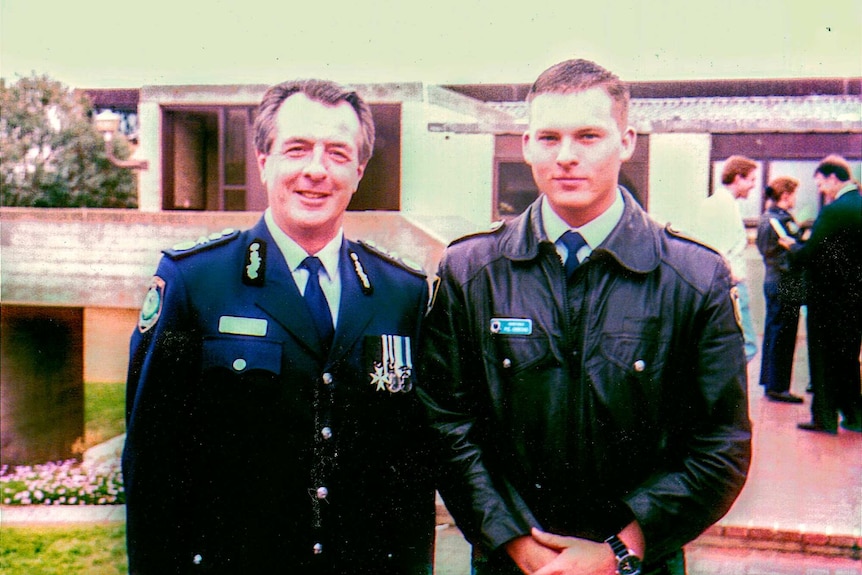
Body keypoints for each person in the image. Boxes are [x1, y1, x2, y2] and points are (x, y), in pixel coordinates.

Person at [417, 58, 752, 575]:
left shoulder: (693, 277)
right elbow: (447, 427)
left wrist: (620, 550)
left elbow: (719, 447)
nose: (566, 157)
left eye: (589, 136)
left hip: (639, 566)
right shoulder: (471, 272)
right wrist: (516, 545)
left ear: (627, 141)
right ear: (527, 145)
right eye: (548, 138)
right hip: (510, 562)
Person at [122, 79, 435, 574]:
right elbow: (152, 467)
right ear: (264, 161)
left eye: (337, 153)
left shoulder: (403, 294)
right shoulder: (194, 282)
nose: (316, 170)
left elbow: (413, 479)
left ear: (359, 170)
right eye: (297, 149)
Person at [780, 155, 862, 434]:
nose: (820, 189)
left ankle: (824, 419)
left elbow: (813, 252)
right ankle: (854, 415)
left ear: (832, 178)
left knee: (824, 357)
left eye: (820, 183)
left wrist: (792, 247)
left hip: (826, 297)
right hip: (855, 297)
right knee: (849, 358)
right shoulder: (860, 205)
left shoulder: (832, 210)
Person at [696, 155, 759, 363]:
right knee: (746, 345)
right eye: (751, 179)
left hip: (724, 286)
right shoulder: (723, 206)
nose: (753, 185)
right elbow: (716, 250)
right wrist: (733, 280)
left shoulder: (720, 203)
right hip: (730, 287)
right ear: (738, 178)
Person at [755, 177, 806, 403]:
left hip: (773, 279)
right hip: (787, 281)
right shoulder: (783, 220)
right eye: (794, 194)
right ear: (785, 195)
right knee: (784, 335)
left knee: (774, 332)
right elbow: (793, 251)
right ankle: (779, 387)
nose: (795, 199)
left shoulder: (766, 218)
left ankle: (771, 382)